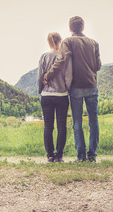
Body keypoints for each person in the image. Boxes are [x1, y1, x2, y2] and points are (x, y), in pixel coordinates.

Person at [44, 16, 101, 162]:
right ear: (82, 27)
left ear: (70, 29)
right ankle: (92, 155)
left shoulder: (68, 42)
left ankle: (81, 156)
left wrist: (48, 75)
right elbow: (98, 66)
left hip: (76, 87)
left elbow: (61, 61)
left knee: (77, 122)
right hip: (92, 86)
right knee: (93, 121)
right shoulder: (94, 43)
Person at [37, 32, 72, 162]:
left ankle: (50, 155)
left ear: (49, 42)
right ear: (60, 40)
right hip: (61, 95)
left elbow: (40, 76)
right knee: (61, 126)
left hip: (46, 95)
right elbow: (68, 76)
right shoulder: (65, 57)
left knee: (48, 126)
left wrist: (41, 90)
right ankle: (59, 155)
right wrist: (67, 89)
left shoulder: (44, 57)